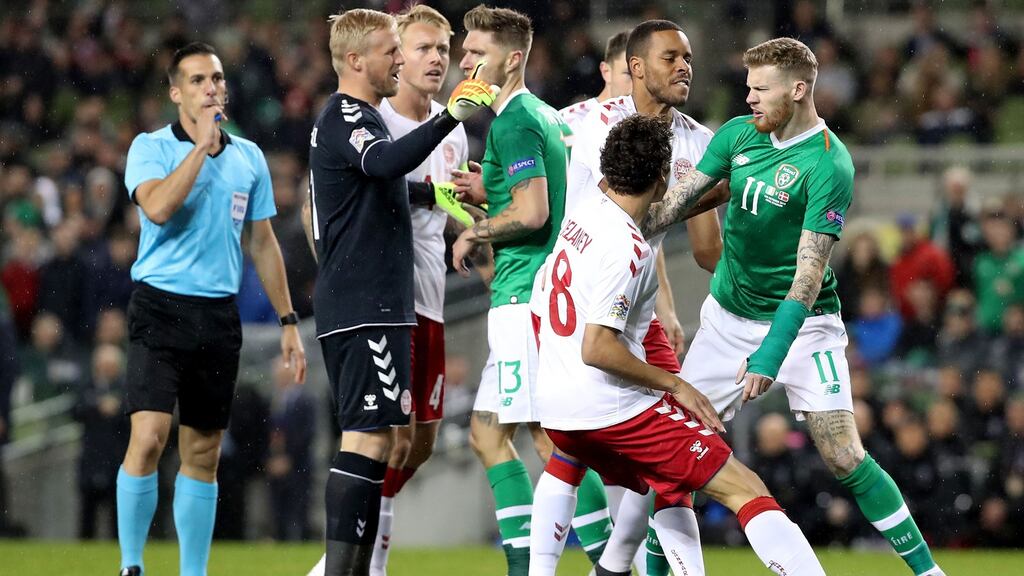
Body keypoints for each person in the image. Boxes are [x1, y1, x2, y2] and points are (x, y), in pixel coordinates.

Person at [642, 37, 946, 576]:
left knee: (843, 454)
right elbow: (673, 205)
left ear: (799, 89)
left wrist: (771, 353)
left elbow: (808, 276)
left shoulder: (830, 164)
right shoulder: (738, 134)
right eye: (748, 88)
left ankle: (928, 572)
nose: (750, 99)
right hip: (726, 321)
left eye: (761, 89)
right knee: (677, 457)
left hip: (805, 328)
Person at [534, 114, 826, 576]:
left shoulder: (582, 212)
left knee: (670, 479)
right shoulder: (628, 250)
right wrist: (675, 384)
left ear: (607, 170)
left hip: (555, 410)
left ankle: (610, 570)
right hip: (607, 409)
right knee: (743, 486)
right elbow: (598, 347)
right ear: (663, 176)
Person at [529, 20, 726, 576]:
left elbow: (702, 250)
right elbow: (611, 229)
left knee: (653, 452)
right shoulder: (592, 127)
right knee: (574, 448)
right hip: (577, 301)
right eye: (671, 57)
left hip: (631, 305)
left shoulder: (699, 140)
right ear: (635, 68)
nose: (684, 66)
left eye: (688, 57)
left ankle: (613, 567)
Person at [302, 9, 494, 576]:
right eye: (394, 50)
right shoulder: (348, 115)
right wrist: (449, 118)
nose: (402, 60)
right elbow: (382, 163)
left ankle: (354, 569)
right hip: (366, 299)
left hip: (384, 300)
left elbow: (389, 182)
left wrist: (440, 196)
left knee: (389, 441)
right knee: (368, 439)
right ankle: (339, 570)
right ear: (357, 60)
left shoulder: (359, 116)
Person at [116, 42, 307, 576]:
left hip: (218, 318)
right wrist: (200, 149)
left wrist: (289, 320)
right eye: (198, 81)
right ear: (176, 92)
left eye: (217, 79)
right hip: (159, 307)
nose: (211, 89)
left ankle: (193, 572)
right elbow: (156, 207)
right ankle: (132, 565)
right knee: (150, 437)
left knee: (202, 453)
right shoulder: (149, 147)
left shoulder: (249, 158)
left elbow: (263, 243)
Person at [448, 6, 612, 574]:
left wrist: (478, 229)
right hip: (547, 293)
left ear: (512, 58)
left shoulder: (513, 120)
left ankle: (605, 564)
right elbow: (544, 197)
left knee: (547, 440)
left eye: (477, 53)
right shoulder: (545, 114)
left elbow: (535, 210)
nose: (464, 62)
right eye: (464, 52)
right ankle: (535, 564)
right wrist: (488, 190)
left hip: (524, 297)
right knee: (489, 434)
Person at [558, 31, 632, 141]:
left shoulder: (654, 125)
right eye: (629, 74)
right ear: (606, 72)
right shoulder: (571, 121)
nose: (637, 83)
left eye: (644, 75)